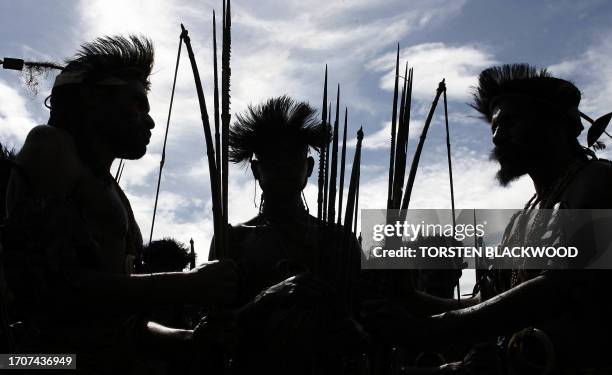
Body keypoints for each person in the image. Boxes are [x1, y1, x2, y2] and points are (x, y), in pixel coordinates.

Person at [1, 35, 237, 373]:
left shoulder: (109, 190)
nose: (150, 120)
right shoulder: (50, 147)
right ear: (94, 101)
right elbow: (53, 290)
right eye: (137, 104)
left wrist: (186, 339)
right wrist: (187, 285)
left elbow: (119, 324)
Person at [363, 64, 612, 373]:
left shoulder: (599, 183)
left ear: (556, 124)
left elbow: (557, 289)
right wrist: (410, 297)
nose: (497, 137)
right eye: (494, 126)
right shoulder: (522, 219)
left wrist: (432, 330)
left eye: (509, 122)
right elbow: (484, 302)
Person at [207, 96, 366, 374]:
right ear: (257, 170)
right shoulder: (233, 240)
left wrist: (353, 330)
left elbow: (370, 326)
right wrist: (267, 299)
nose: (282, 164)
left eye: (291, 154)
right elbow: (212, 330)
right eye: (271, 156)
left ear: (309, 167)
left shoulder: (338, 239)